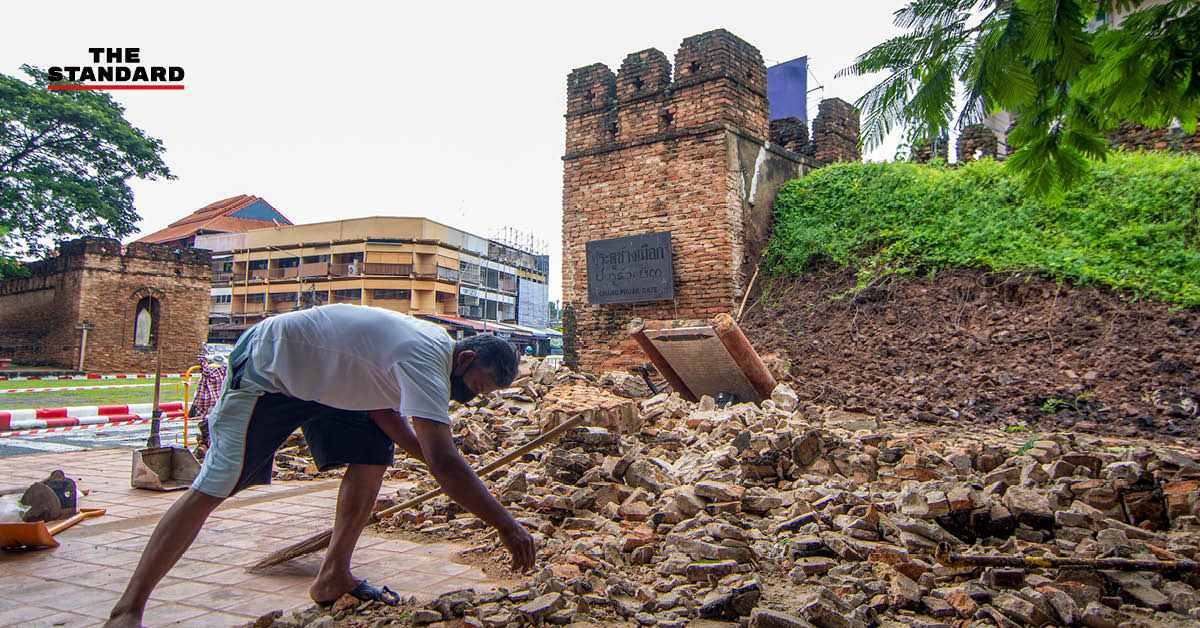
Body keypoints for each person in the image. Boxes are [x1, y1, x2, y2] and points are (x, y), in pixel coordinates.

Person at [105, 304, 534, 628]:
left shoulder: (435, 349)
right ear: (465, 360)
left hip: (325, 381)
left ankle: (333, 575)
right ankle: (129, 608)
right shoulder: (426, 358)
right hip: (268, 370)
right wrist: (506, 525)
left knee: (372, 453)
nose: (471, 397)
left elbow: (385, 412)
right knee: (215, 486)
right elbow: (443, 457)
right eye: (475, 386)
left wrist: (436, 465)